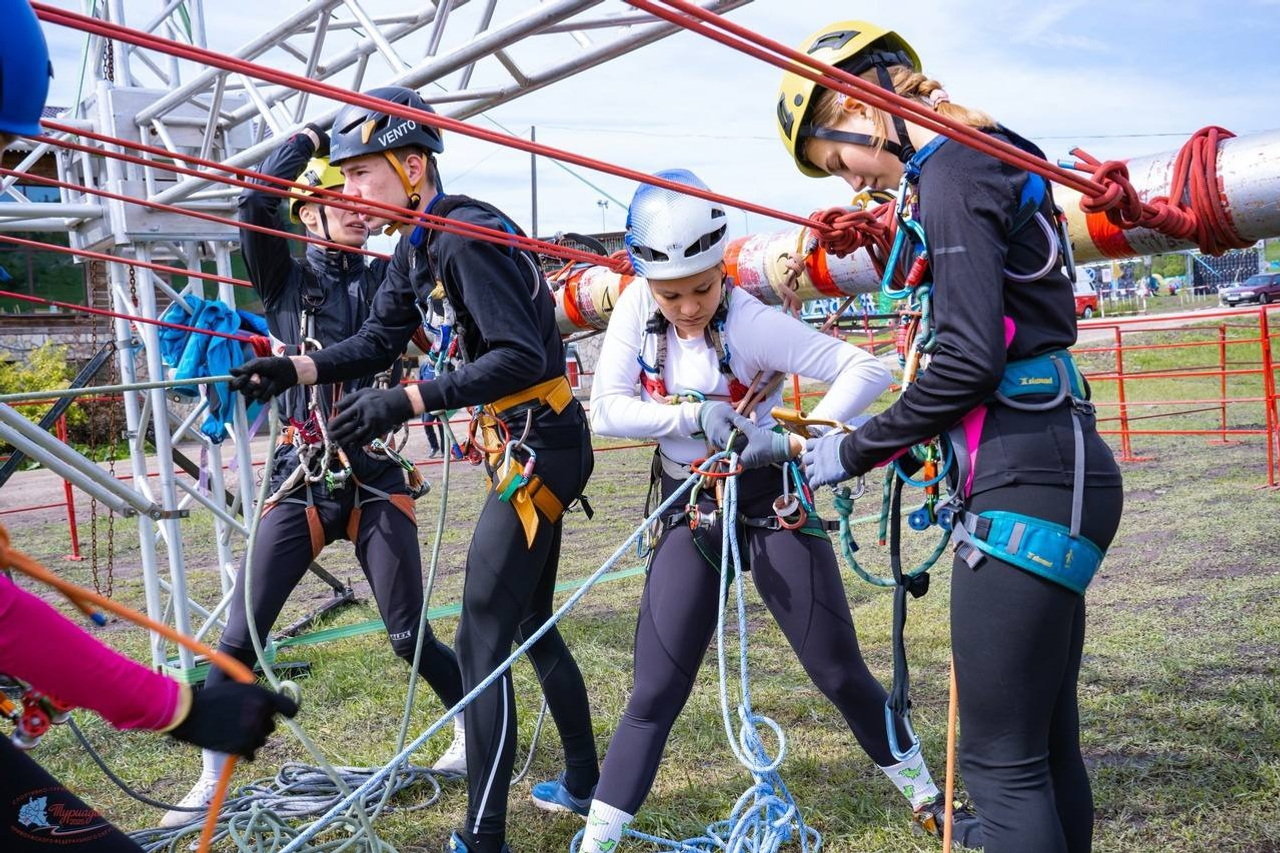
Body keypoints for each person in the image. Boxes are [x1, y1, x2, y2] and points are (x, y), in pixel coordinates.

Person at [781, 21, 1124, 853]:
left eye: (838, 161)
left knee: (1001, 767)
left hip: (1021, 474)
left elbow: (968, 360)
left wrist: (849, 450)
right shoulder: (994, 151)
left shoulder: (953, 171)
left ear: (859, 107)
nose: (854, 181)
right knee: (1043, 748)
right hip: (1058, 457)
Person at [228, 87, 598, 853]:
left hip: (542, 445)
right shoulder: (416, 247)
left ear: (411, 165)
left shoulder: (460, 235)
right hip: (527, 440)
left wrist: (408, 399)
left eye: (362, 173)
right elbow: (373, 341)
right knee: (526, 622)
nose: (353, 190)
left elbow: (519, 356)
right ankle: (583, 780)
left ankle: (483, 837)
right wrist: (295, 369)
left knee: (481, 641)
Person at [576, 169, 981, 852]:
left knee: (837, 668)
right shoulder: (634, 309)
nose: (687, 306)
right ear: (647, 280)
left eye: (702, 288)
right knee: (654, 691)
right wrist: (692, 417)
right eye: (671, 293)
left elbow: (867, 369)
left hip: (770, 498)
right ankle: (596, 844)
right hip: (690, 506)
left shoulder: (751, 321)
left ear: (720, 269)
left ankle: (928, 799)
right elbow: (606, 410)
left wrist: (802, 437)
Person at [166, 122, 466, 826]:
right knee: (239, 637)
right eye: (341, 197)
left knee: (407, 634)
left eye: (363, 193)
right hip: (301, 473)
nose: (360, 208)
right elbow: (253, 205)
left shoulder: (391, 275)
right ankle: (210, 777)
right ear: (308, 213)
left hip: (374, 471)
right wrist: (305, 139)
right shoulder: (285, 281)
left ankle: (471, 729)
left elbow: (431, 247)